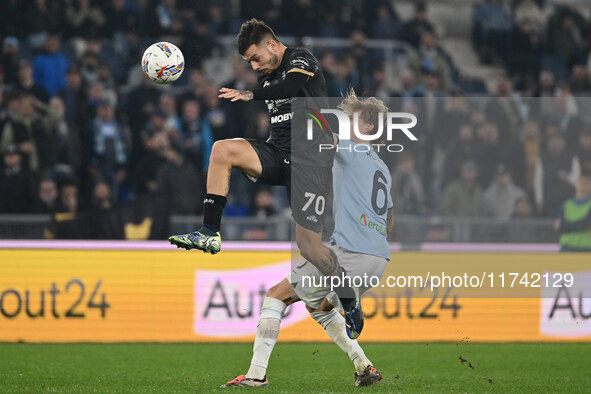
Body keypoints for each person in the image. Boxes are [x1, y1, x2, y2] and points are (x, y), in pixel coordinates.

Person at [168, 19, 362, 335]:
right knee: (221, 150)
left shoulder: (301, 59)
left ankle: (348, 297)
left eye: (256, 58)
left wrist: (249, 94)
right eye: (249, 63)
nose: (255, 66)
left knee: (310, 248)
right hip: (278, 154)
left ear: (272, 44)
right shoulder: (268, 75)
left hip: (310, 164)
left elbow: (291, 88)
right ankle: (209, 230)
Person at [221, 93, 392, 388]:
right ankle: (364, 367)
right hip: (378, 258)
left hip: (349, 253)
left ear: (366, 126)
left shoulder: (350, 148)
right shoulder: (383, 168)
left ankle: (255, 375)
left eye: (351, 119)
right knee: (318, 306)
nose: (345, 123)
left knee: (277, 294)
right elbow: (390, 219)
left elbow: (317, 137)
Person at [554, 174, 591, 251]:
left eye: (586, 182)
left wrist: (565, 226)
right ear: (575, 184)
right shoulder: (566, 205)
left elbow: (562, 226)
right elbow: (560, 227)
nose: (583, 184)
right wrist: (583, 226)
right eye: (581, 182)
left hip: (586, 249)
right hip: (567, 249)